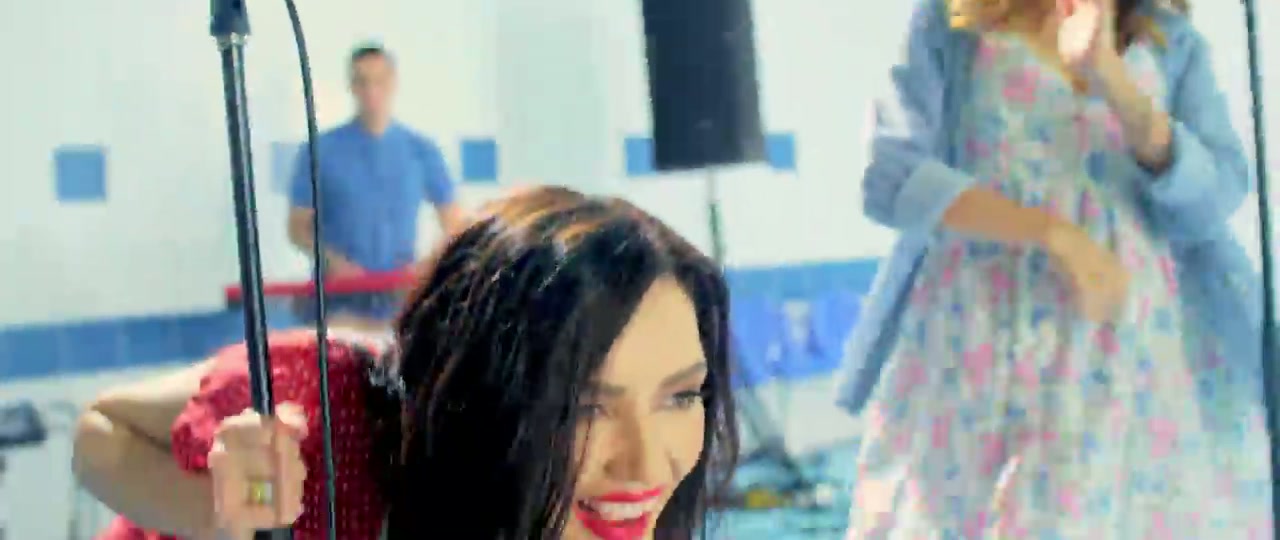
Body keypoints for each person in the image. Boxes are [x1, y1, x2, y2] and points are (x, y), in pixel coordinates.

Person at [74, 186, 739, 540]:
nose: (646, 465)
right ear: (482, 397)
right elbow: (100, 431)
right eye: (586, 406)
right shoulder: (319, 407)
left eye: (680, 397)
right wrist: (212, 514)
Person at [834, 0, 1271, 537]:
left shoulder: (1168, 40)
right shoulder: (949, 24)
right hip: (976, 339)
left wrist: (1113, 80)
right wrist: (1055, 235)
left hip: (1125, 355)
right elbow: (890, 175)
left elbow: (1212, 201)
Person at [286, 43, 468, 326]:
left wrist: (426, 267)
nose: (371, 91)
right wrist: (333, 262)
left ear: (393, 83)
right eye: (362, 82)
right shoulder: (319, 151)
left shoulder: (421, 150)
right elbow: (298, 228)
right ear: (351, 86)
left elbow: (455, 224)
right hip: (337, 305)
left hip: (399, 302)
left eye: (379, 81)